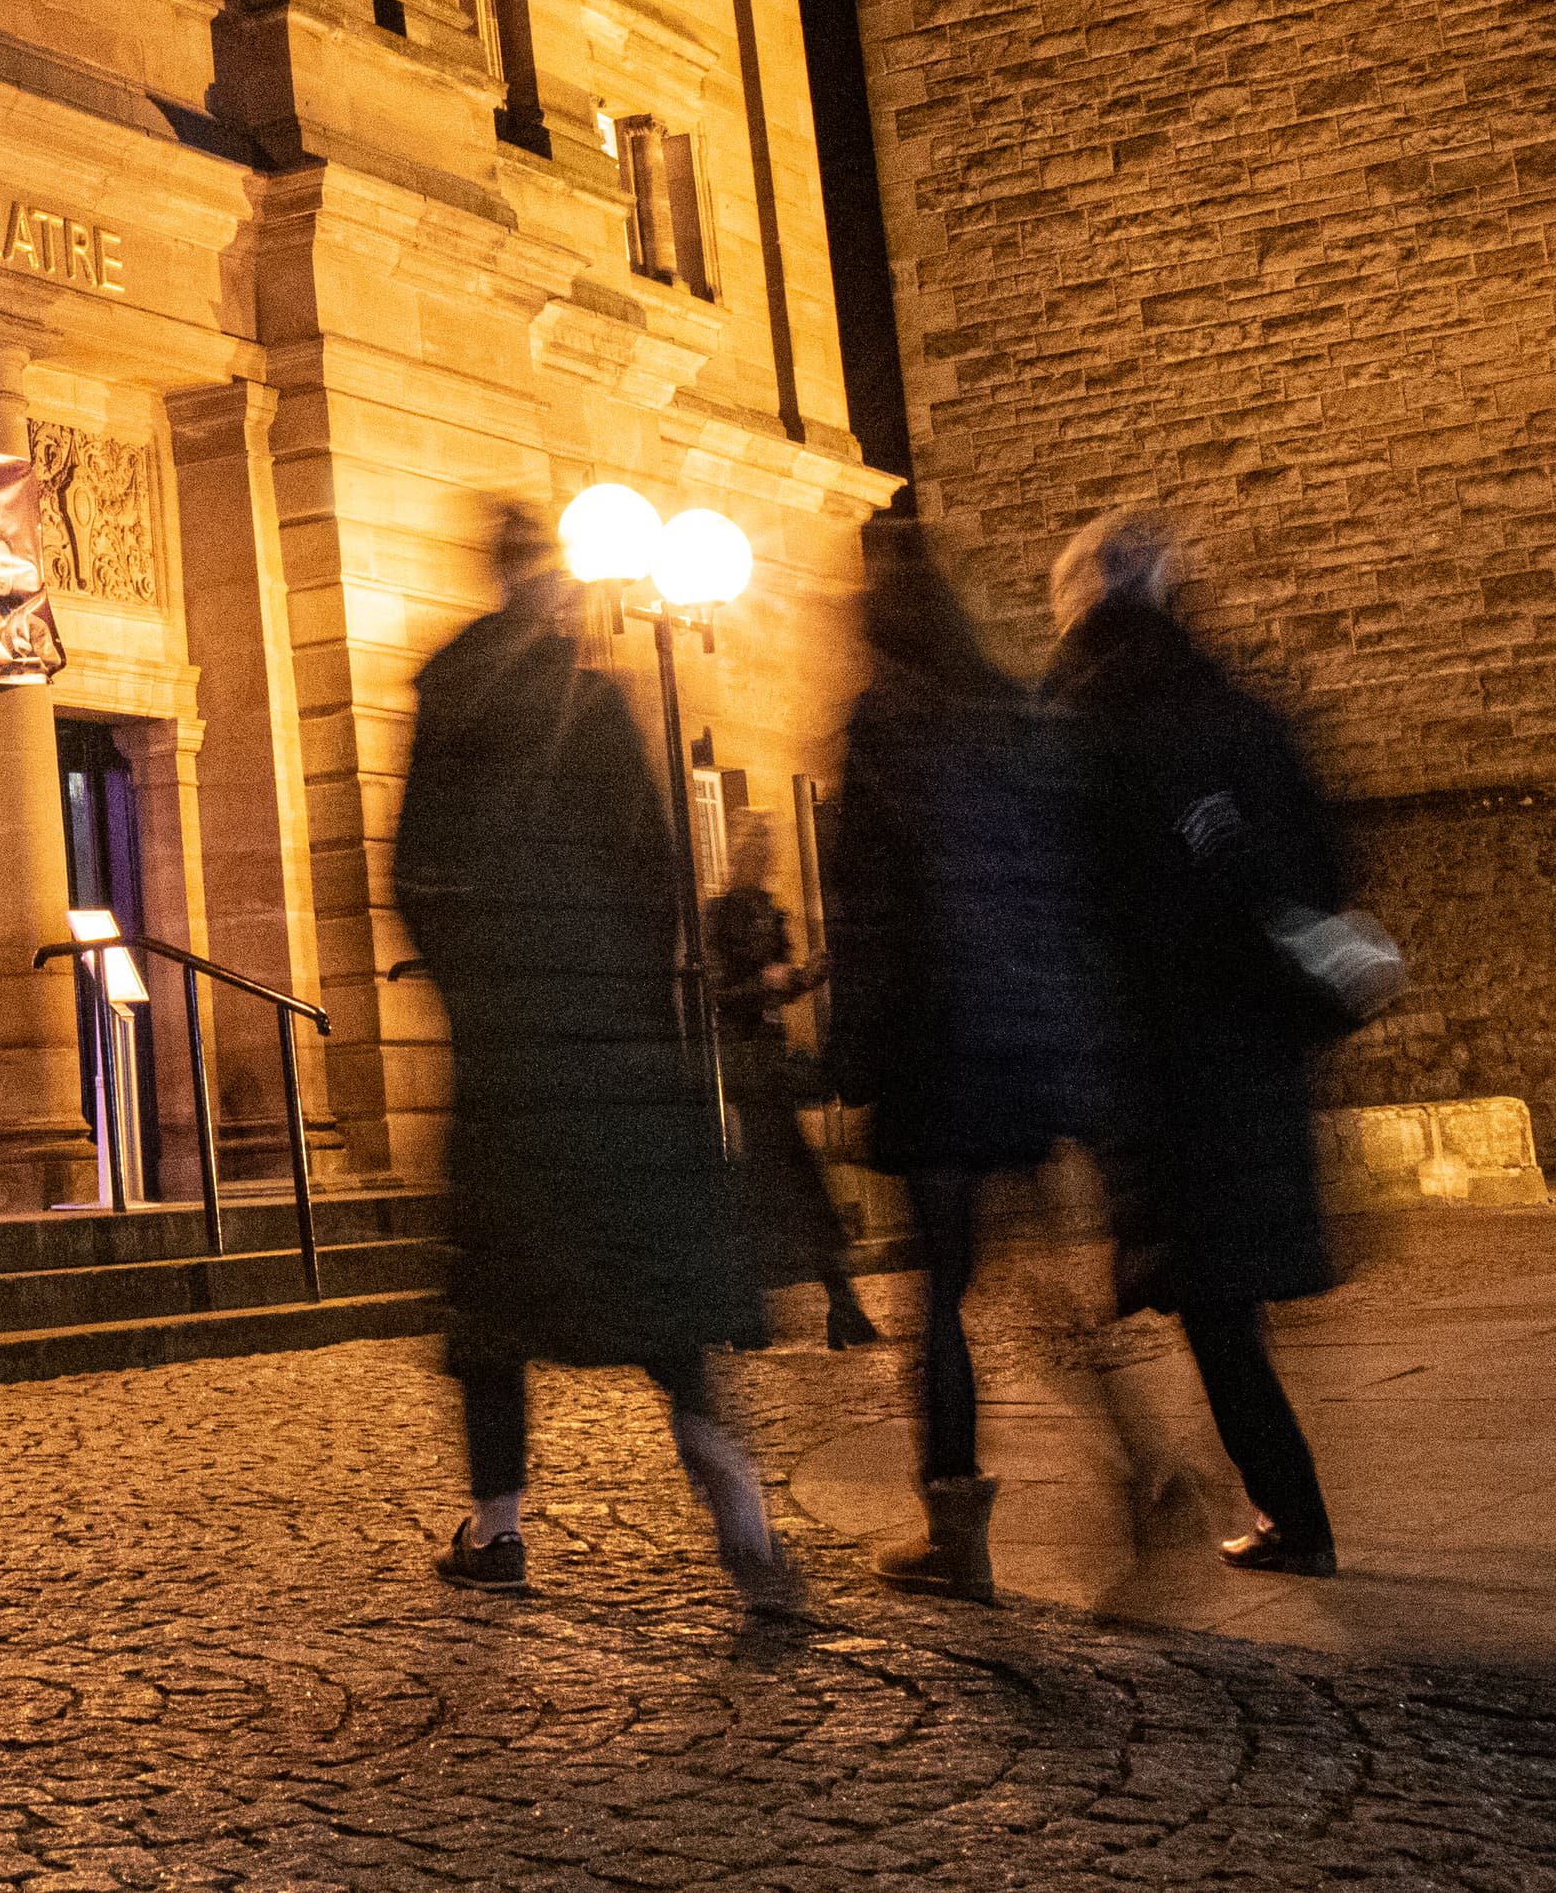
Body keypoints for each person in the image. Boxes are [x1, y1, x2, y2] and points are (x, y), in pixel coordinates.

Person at [397, 500, 798, 1614]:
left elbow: (415, 875)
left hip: (508, 1055)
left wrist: (477, 994)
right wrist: (630, 991)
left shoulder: (451, 696)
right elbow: (657, 872)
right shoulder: (597, 702)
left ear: (497, 580)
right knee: (658, 1286)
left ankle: (499, 1528)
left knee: (493, 1304)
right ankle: (738, 1509)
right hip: (613, 1045)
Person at [1043, 505, 1346, 1578]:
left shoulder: (1086, 713)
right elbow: (1321, 861)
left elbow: (1068, 890)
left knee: (1210, 1299)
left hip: (1157, 1054)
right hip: (1251, 1046)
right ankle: (1283, 1508)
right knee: (1227, 1296)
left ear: (1086, 597)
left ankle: (1289, 1515)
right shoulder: (1235, 705)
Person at [822, 520, 1103, 1600]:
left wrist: (854, 1056)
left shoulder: (884, 725)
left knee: (941, 1293)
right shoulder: (1012, 715)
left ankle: (954, 1527)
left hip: (934, 1046)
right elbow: (1059, 881)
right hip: (1019, 1038)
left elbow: (867, 910)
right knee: (1038, 1278)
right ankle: (1145, 1465)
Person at [705, 817, 881, 1353]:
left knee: (783, 1183)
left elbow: (781, 988)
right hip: (746, 1068)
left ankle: (825, 1306)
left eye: (767, 847)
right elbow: (718, 993)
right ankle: (807, 1307)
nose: (762, 856)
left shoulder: (770, 912)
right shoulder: (720, 915)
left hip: (770, 1065)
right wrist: (764, 983)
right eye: (754, 847)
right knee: (778, 1184)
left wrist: (806, 975)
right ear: (740, 853)